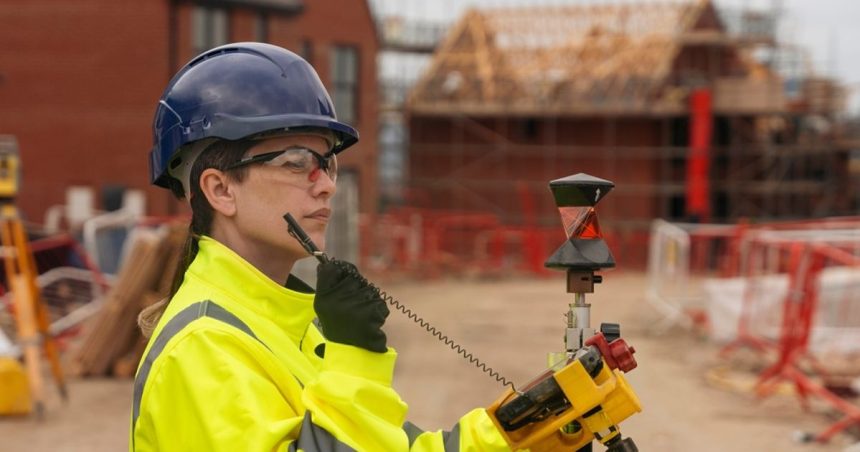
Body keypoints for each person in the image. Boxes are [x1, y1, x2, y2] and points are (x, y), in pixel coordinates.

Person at [130, 42, 512, 451]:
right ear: (220, 190)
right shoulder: (202, 348)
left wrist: (518, 433)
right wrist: (355, 356)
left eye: (327, 163)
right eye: (296, 162)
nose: (327, 184)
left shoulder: (282, 324)